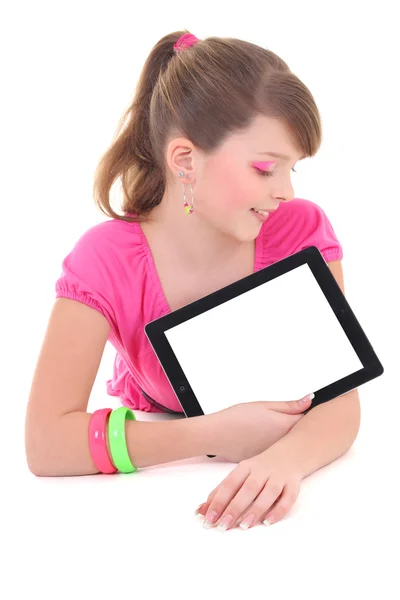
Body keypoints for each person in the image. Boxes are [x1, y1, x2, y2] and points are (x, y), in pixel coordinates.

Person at [25, 30, 346, 527]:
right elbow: (45, 443)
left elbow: (340, 398)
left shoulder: (300, 232)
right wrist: (210, 434)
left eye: (292, 171)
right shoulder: (104, 261)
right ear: (185, 160)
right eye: (266, 169)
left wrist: (283, 462)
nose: (284, 191)